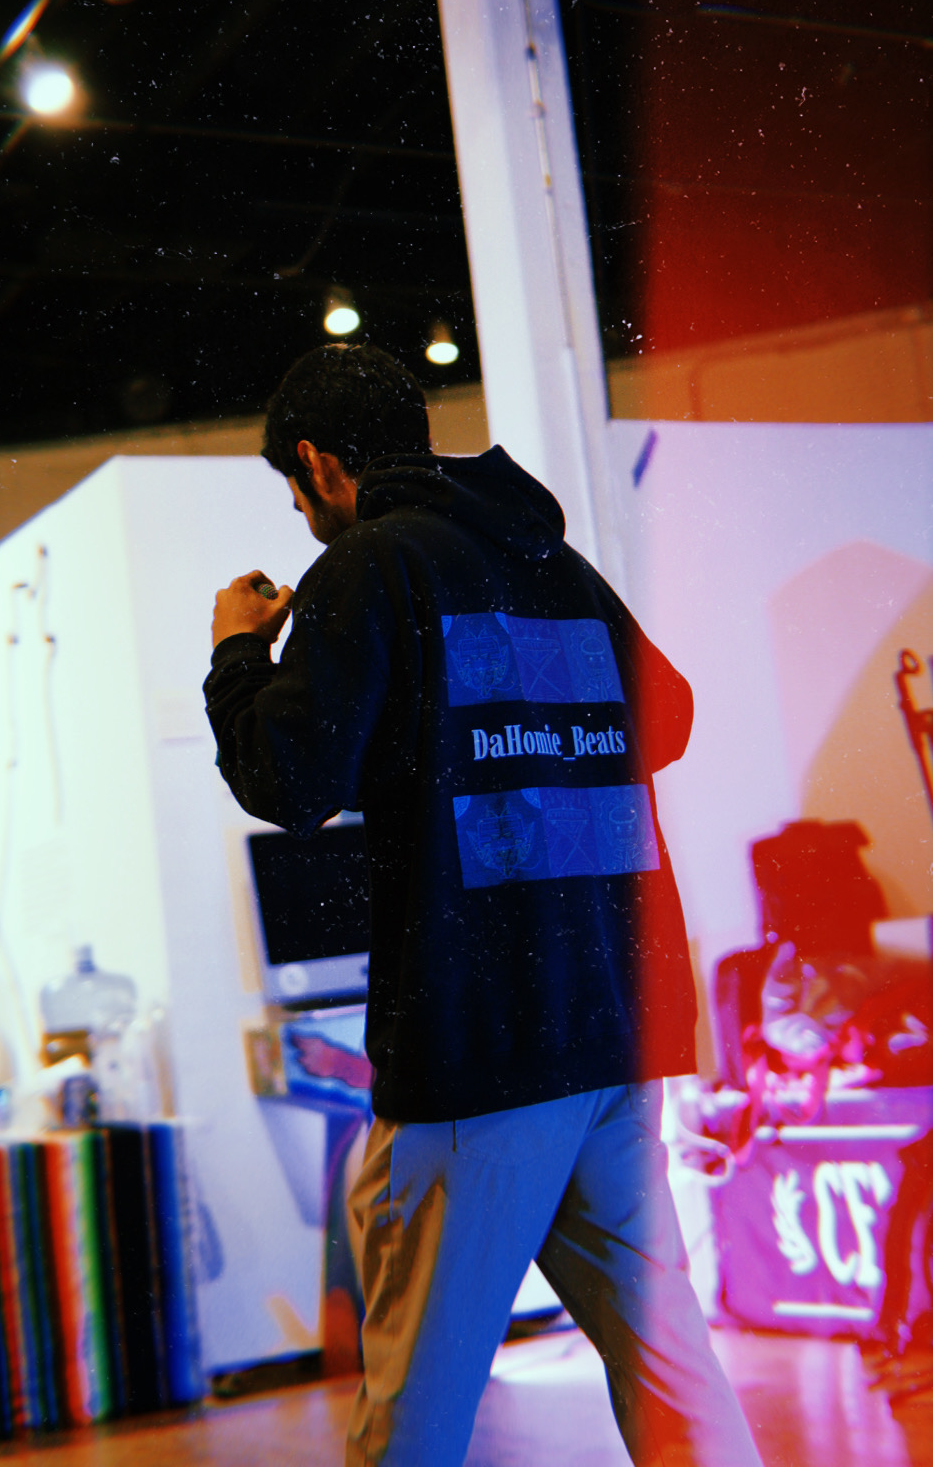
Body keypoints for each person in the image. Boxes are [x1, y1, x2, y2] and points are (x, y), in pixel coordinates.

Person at [204, 342, 762, 1467]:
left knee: (413, 1412)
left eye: (297, 490)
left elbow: (288, 782)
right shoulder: (549, 556)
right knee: (671, 1370)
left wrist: (235, 656)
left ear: (319, 463)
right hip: (613, 1029)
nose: (304, 514)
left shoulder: (368, 564)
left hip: (480, 1052)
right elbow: (669, 716)